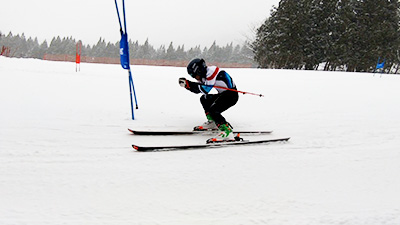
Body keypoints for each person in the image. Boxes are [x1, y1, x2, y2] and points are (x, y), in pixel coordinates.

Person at [178, 58, 239, 142]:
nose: (195, 77)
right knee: (204, 99)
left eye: (194, 75)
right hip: (223, 94)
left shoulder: (211, 72)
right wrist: (188, 85)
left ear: (199, 70)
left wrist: (189, 84)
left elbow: (205, 89)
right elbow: (200, 89)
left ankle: (227, 132)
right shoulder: (204, 75)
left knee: (214, 110)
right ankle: (213, 122)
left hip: (231, 96)